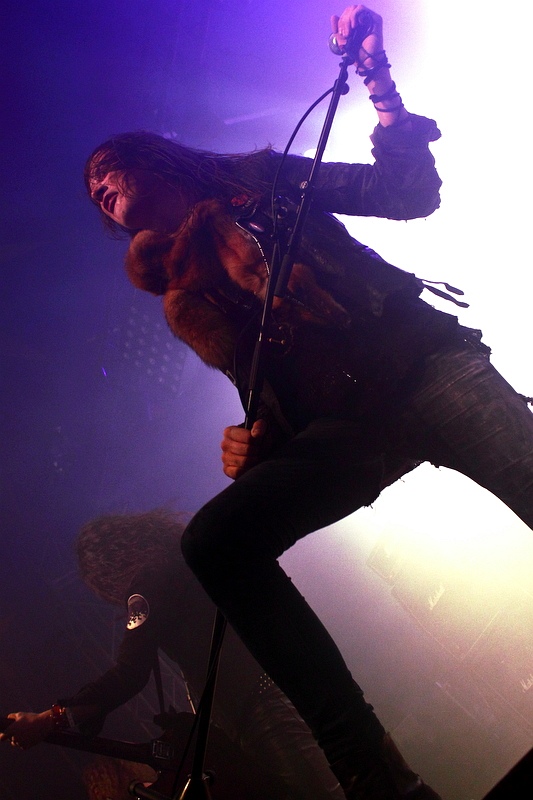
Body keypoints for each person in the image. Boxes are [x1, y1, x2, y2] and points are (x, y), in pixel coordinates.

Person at [26, 4, 533, 798]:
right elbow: (264, 387)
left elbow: (406, 192)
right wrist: (254, 438)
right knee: (216, 541)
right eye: (92, 194)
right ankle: (375, 779)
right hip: (343, 426)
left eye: (106, 173)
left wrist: (376, 76)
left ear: (151, 160)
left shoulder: (259, 181)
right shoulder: (181, 301)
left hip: (419, 366)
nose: (98, 192)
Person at [0, 510, 344, 800]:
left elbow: (129, 673)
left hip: (255, 707)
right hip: (266, 693)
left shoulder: (144, 584)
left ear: (103, 570)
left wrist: (50, 718)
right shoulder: (182, 562)